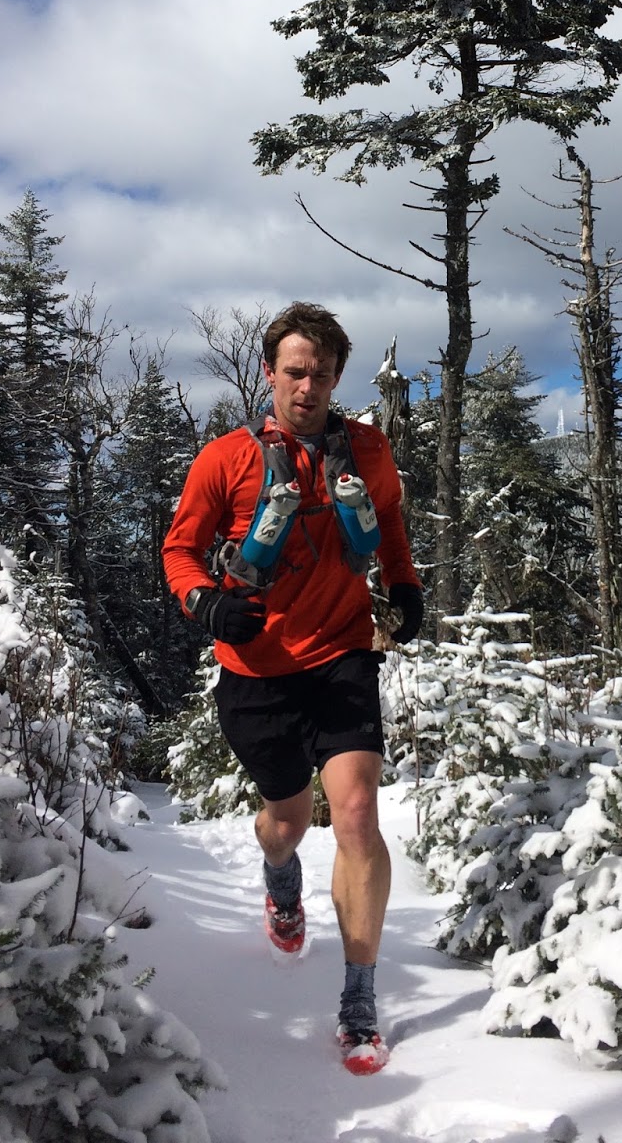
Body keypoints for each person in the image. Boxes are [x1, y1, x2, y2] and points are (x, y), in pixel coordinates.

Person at [162, 300, 424, 1071]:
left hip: (342, 656)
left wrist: (404, 588)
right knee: (288, 819)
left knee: (354, 814)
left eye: (322, 374)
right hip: (257, 674)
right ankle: (281, 878)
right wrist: (207, 604)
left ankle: (358, 1002)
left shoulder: (367, 450)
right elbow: (179, 552)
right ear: (270, 373)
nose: (307, 387)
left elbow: (393, 527)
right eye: (294, 372)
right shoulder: (225, 460)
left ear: (338, 377)